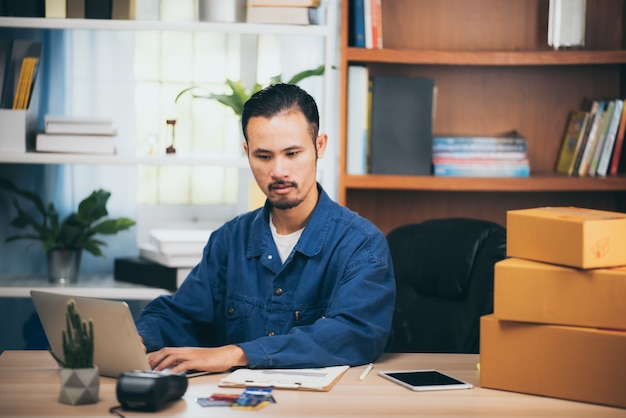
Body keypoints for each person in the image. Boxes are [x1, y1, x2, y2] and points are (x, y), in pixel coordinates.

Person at [135, 83, 396, 374]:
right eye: (264, 156)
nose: (279, 171)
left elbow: (357, 334)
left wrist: (238, 353)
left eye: (292, 153)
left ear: (319, 146)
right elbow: (181, 315)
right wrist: (140, 337)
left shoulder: (361, 244)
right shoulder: (229, 239)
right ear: (247, 153)